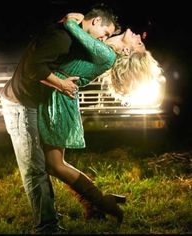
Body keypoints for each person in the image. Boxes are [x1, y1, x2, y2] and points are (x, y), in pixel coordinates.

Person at [37, 12, 166, 229]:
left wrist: (72, 18)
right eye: (141, 41)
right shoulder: (104, 45)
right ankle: (96, 203)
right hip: (56, 95)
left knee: (54, 164)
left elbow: (71, 26)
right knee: (51, 163)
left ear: (126, 51)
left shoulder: (106, 55)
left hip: (58, 99)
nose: (140, 38)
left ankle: (101, 202)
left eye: (139, 44)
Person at [0, 3, 121, 234]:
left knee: (47, 164)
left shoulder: (73, 35)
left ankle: (61, 213)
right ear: (95, 22)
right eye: (104, 33)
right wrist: (62, 84)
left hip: (37, 103)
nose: (104, 40)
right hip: (20, 103)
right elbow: (33, 68)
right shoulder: (60, 37)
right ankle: (47, 227)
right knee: (35, 169)